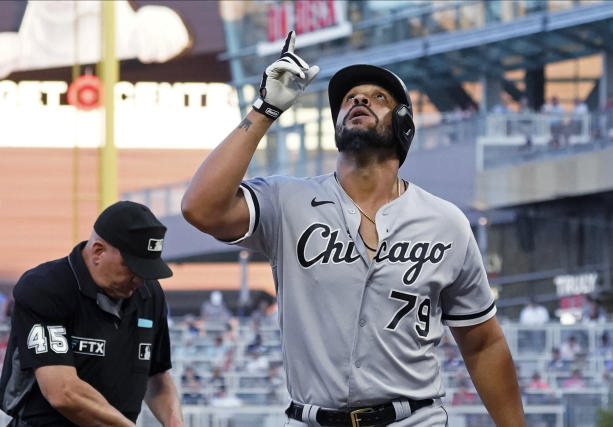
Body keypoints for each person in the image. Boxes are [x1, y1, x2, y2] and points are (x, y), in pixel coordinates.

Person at [181, 31, 525, 426]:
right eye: (349, 99)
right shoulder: (287, 200)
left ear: (403, 126)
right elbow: (200, 208)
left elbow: (482, 342)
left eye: (378, 98)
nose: (359, 100)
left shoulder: (446, 222)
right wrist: (264, 109)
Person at [0, 201, 183, 426]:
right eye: (133, 268)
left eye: (146, 271)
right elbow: (63, 392)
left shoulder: (149, 294)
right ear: (98, 252)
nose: (140, 280)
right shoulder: (45, 287)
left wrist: (176, 423)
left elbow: (157, 376)